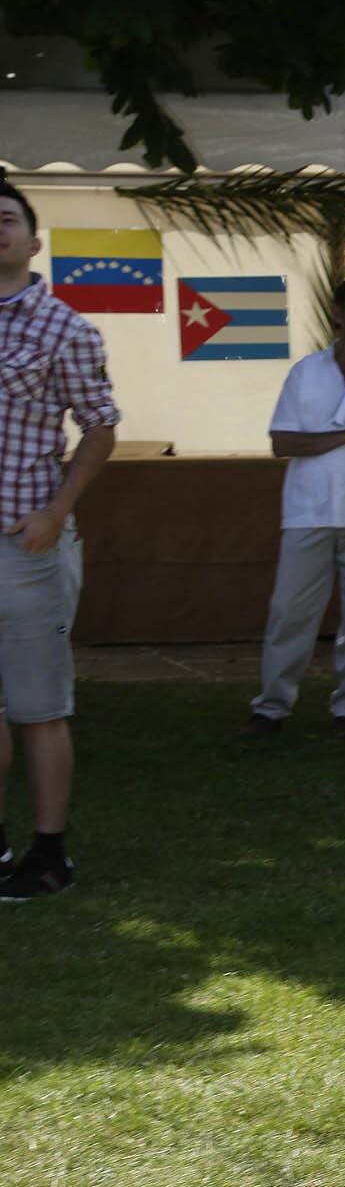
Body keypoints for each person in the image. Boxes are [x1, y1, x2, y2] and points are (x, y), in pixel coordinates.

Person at [0, 178, 119, 900]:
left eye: (7, 219)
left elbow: (100, 428)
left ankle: (49, 856)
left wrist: (55, 512)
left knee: (39, 707)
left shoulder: (65, 327)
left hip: (27, 548)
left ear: (34, 242)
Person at [240, 277, 345, 744]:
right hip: (308, 512)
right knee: (291, 612)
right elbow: (283, 442)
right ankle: (273, 706)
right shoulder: (305, 372)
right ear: (338, 314)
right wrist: (344, 434)